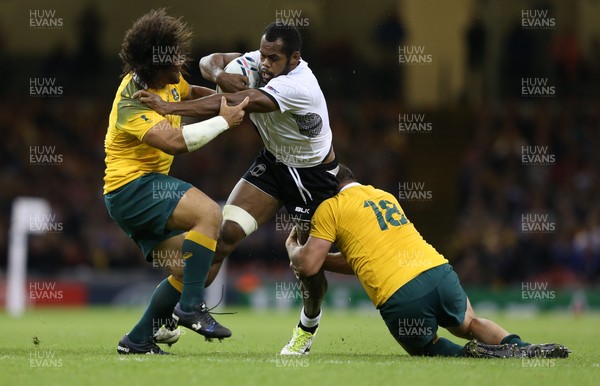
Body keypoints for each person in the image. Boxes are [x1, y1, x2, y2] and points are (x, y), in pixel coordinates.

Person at [134, 22, 337, 354]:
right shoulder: (259, 60)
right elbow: (207, 61)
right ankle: (174, 315)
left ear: (294, 58)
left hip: (313, 177)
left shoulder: (299, 86)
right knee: (222, 237)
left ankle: (307, 327)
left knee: (308, 266)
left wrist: (169, 108)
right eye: (264, 55)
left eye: (274, 59)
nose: (265, 65)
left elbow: (231, 103)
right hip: (274, 165)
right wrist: (219, 74)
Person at [284, 164, 571, 358]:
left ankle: (474, 355)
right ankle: (522, 347)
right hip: (438, 271)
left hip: (400, 294)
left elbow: (308, 264)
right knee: (470, 322)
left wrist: (292, 248)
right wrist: (325, 260)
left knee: (426, 348)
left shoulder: (330, 208)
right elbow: (360, 258)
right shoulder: (382, 195)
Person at [103, 8, 249, 355]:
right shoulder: (131, 102)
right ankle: (191, 309)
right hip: (132, 188)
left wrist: (233, 100)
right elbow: (173, 142)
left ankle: (138, 339)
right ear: (153, 67)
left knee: (199, 266)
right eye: (173, 58)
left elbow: (192, 95)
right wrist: (224, 122)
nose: (181, 62)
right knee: (210, 214)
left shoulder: (167, 81)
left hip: (140, 190)